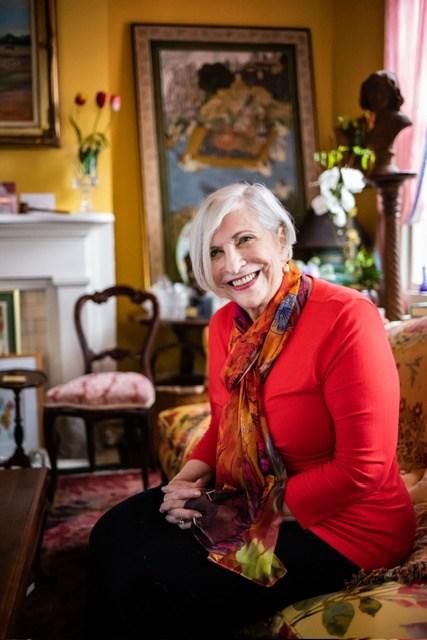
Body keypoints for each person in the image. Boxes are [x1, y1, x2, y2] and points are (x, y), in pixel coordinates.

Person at [86, 182, 416, 639]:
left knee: (153, 584)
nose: (233, 265)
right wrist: (185, 482)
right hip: (252, 495)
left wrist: (256, 507)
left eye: (244, 240)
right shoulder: (225, 324)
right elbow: (223, 422)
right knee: (112, 533)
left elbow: (364, 468)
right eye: (216, 252)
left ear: (281, 237)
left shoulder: (346, 317)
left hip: (347, 526)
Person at [359, 69, 411, 173]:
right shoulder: (370, 127)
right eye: (372, 92)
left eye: (382, 91)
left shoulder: (399, 121)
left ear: (391, 93)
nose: (377, 97)